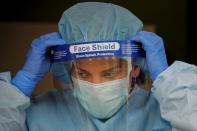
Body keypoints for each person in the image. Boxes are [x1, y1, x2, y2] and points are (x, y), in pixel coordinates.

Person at [0, 2, 197, 131]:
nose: (96, 85)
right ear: (68, 69)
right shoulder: (37, 113)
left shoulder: (167, 112)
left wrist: (168, 80)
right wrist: (18, 87)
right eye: (83, 73)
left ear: (135, 67)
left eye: (110, 73)